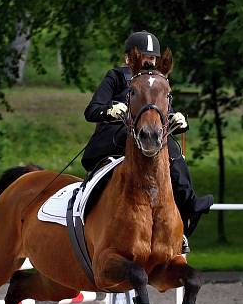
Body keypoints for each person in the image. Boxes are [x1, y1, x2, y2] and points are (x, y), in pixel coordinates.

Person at [83, 30, 213, 253]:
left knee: (173, 152)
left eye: (153, 58)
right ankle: (87, 212)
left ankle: (187, 209)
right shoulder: (115, 76)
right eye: (145, 57)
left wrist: (178, 119)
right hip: (118, 134)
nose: (150, 61)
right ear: (129, 59)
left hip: (152, 135)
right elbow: (92, 111)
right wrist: (110, 110)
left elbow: (164, 112)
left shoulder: (159, 83)